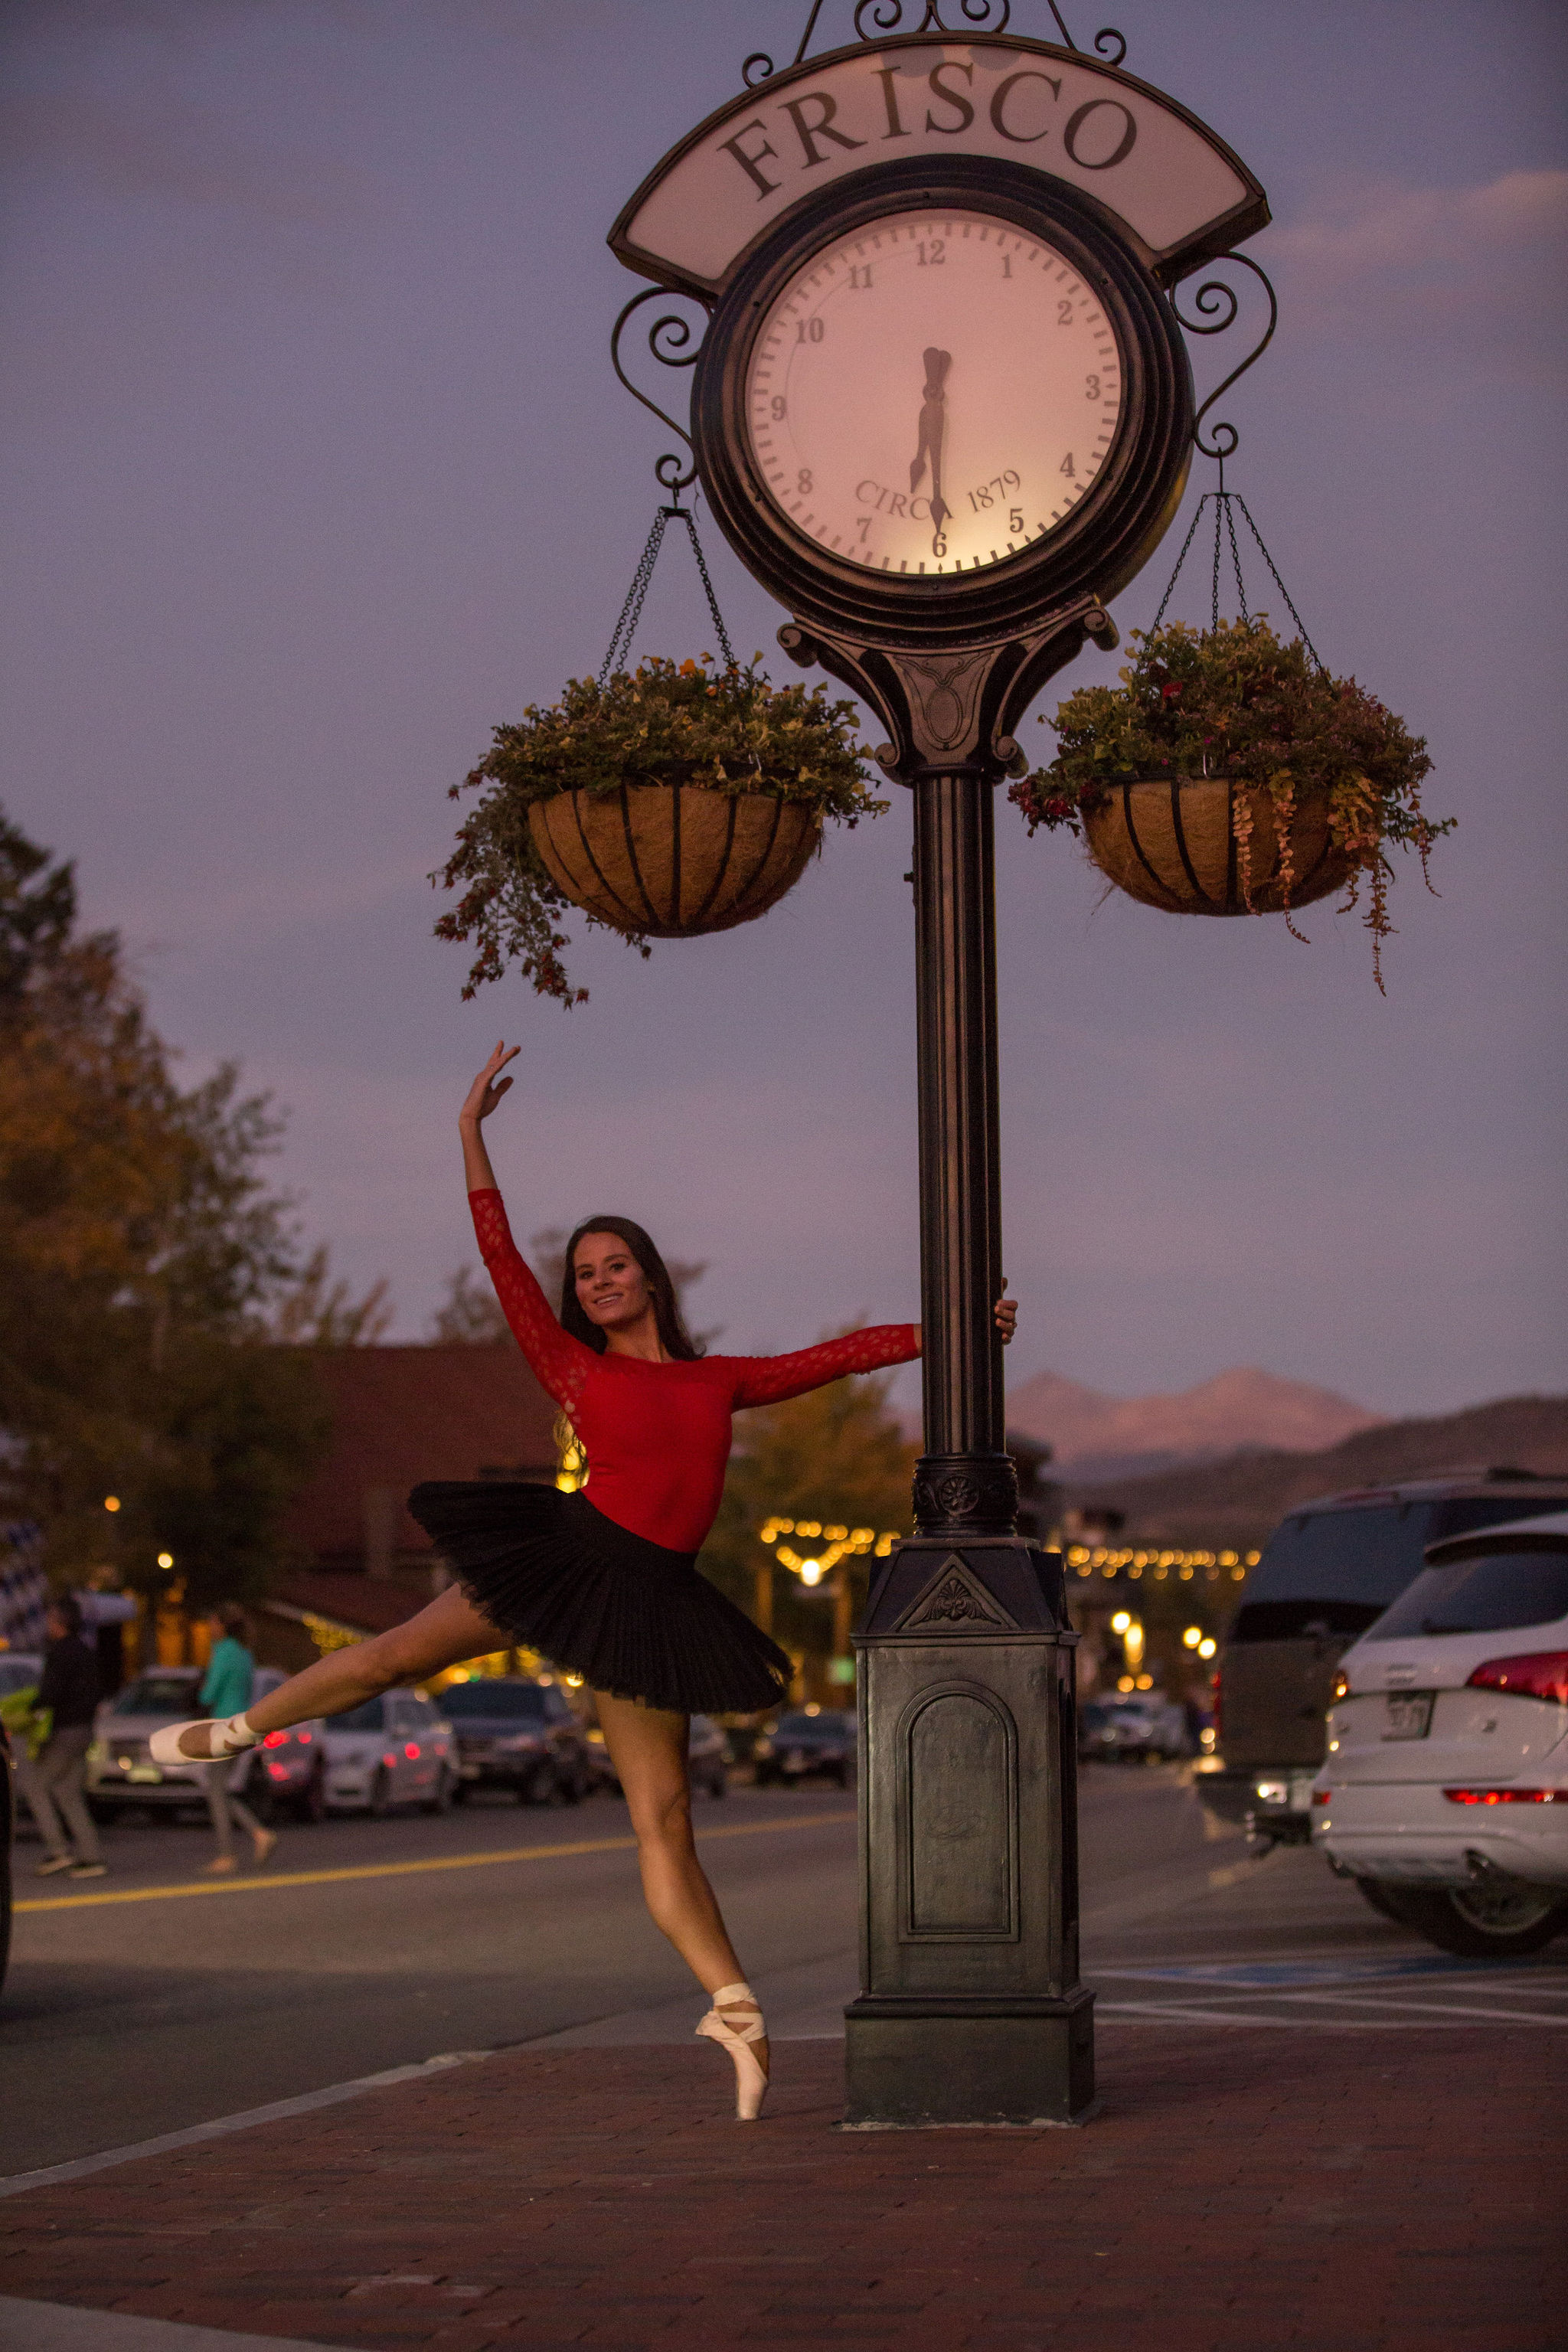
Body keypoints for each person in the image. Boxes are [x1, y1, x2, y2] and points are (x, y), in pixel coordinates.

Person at [153, 1041, 1018, 2119]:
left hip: (650, 1600)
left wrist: (957, 1332)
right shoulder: (571, 1365)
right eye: (585, 1273)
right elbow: (501, 1260)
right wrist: (469, 1134)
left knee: (665, 1818)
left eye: (613, 1265)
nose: (597, 1281)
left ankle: (733, 2008)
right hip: (569, 1558)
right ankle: (238, 1731)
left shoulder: (718, 1381)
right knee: (393, 1656)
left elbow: (836, 1356)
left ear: (649, 1276)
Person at [20, 1596, 109, 1880]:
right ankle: (91, 1857)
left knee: (36, 1786)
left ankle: (58, 1851)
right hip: (85, 1730)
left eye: (50, 1619)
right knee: (68, 1791)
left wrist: (27, 1709)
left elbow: (50, 1694)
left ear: (59, 1623)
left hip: (65, 1730)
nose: (47, 1625)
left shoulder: (59, 1652)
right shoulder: (86, 1651)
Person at [197, 1606, 276, 1876]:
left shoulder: (224, 1652)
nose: (209, 1628)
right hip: (241, 1724)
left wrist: (198, 1692)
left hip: (223, 1726)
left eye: (212, 1623)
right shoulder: (245, 1652)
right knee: (219, 1789)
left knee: (215, 1790)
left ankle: (227, 1854)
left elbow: (209, 1694)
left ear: (222, 1626)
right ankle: (258, 1834)